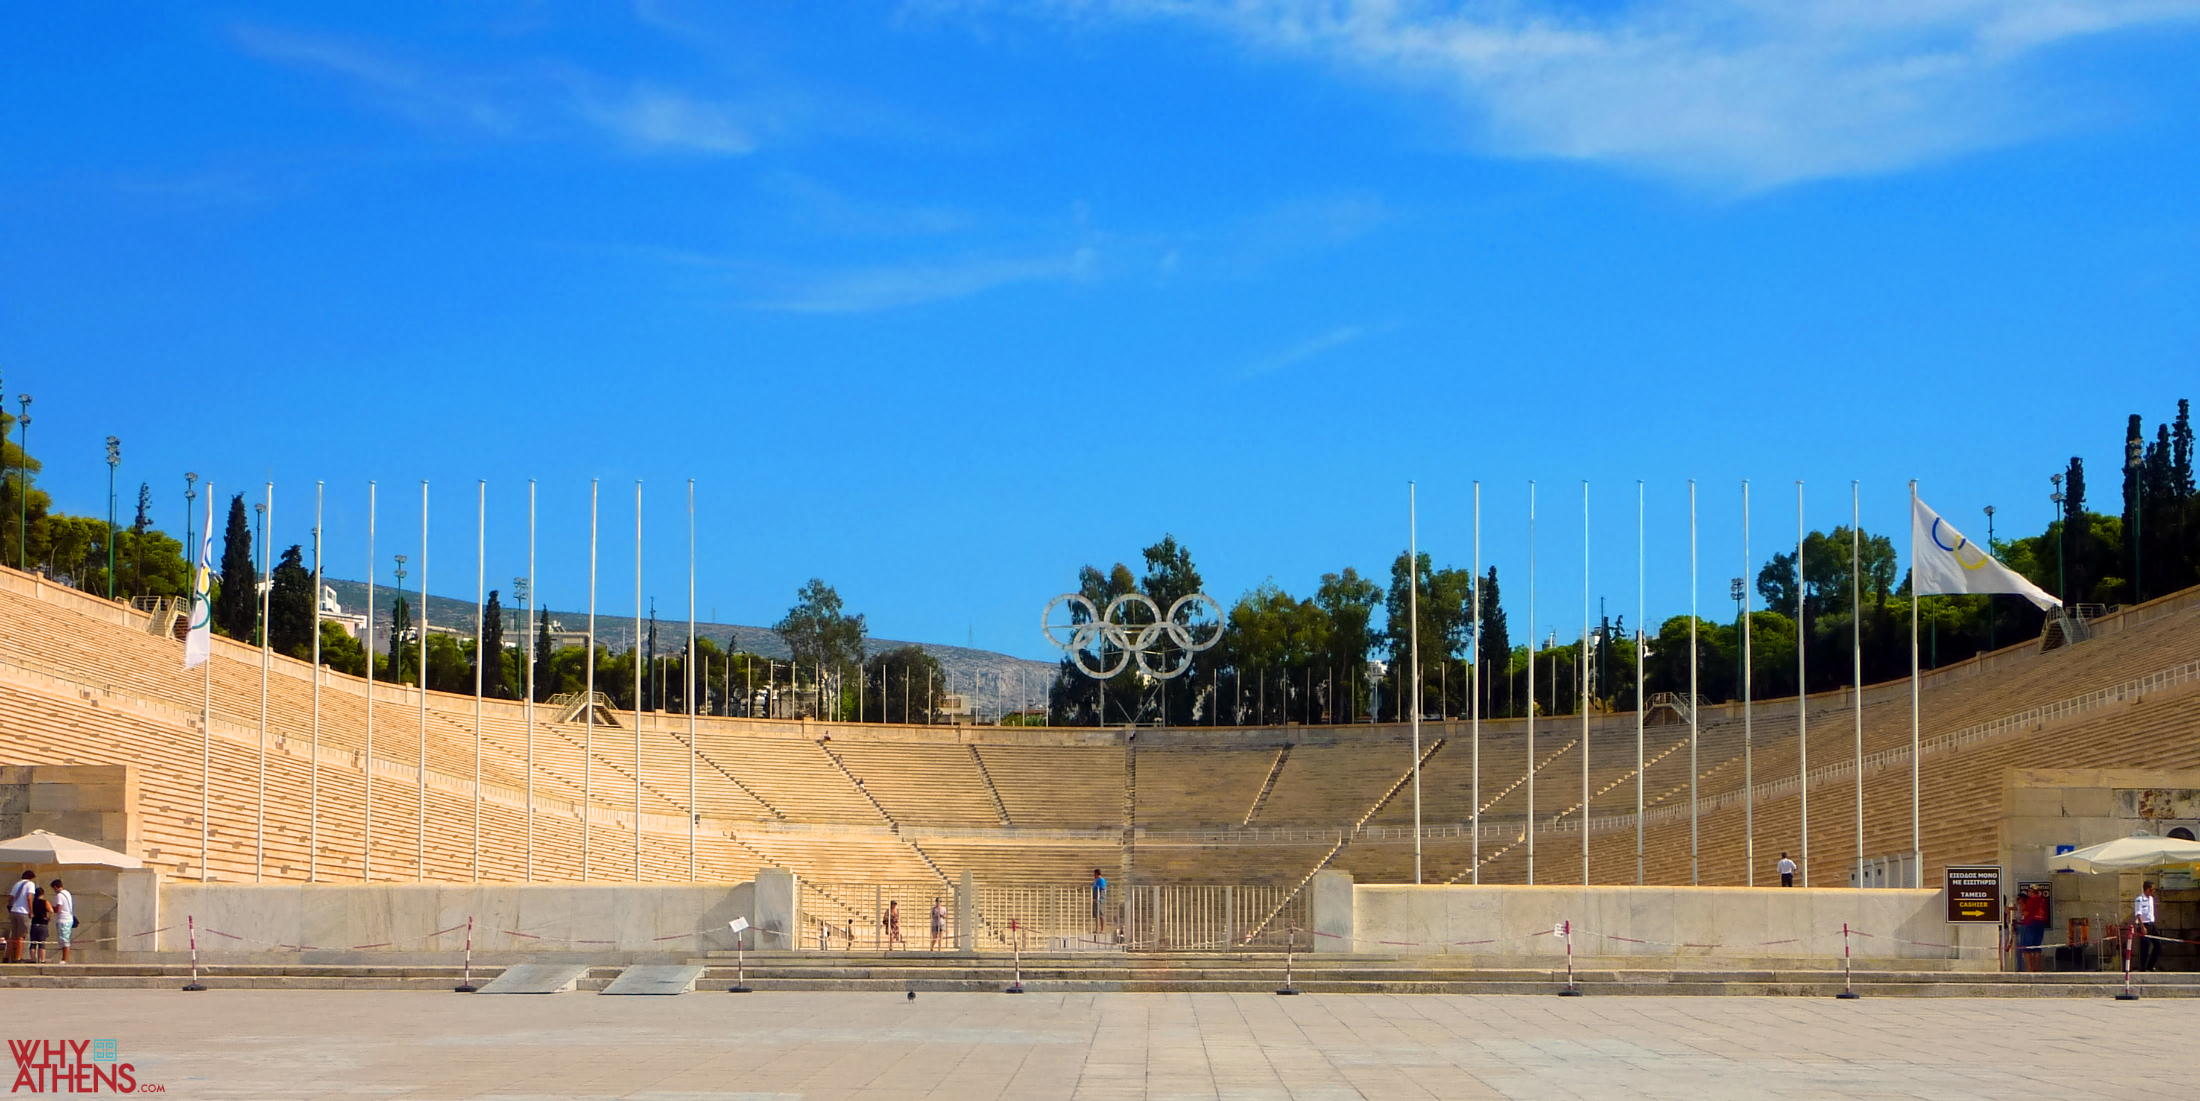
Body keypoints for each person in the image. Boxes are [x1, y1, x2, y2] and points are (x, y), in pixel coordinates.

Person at [2015, 885, 2050, 972]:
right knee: (2037, 948)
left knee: (2027, 948)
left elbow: (2026, 913)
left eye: (2029, 892)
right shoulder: (2043, 901)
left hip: (2031, 924)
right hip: (2040, 924)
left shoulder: (2031, 901)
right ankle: (2037, 968)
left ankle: (2030, 968)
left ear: (2032, 892)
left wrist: (2021, 910)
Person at [2133, 881, 2161, 972]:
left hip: (2151, 923)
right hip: (2143, 924)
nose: (2153, 892)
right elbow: (2138, 913)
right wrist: (2142, 927)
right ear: (2148, 889)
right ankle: (2142, 967)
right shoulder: (2139, 899)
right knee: (2145, 946)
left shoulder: (2151, 899)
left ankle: (2150, 965)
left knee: (2158, 946)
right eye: (2153, 889)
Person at [6, 871, 33, 963]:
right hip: (23, 912)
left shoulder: (17, 884)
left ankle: (7, 956)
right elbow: (29, 898)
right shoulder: (30, 884)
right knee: (21, 936)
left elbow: (11, 898)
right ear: (31, 877)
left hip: (14, 911)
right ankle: (18, 957)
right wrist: (31, 912)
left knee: (13, 935)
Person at [49, 880, 72, 965]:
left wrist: (50, 908)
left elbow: (58, 909)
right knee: (65, 939)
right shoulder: (67, 893)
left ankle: (64, 959)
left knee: (64, 940)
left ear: (55, 887)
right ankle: (64, 958)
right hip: (68, 918)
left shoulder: (59, 895)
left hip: (63, 919)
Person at [26, 887, 48, 964]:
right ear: (42, 894)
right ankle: (42, 960)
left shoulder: (32, 903)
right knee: (42, 943)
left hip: (34, 923)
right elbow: (51, 910)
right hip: (42, 924)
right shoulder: (44, 902)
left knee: (33, 943)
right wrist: (48, 918)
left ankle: (32, 959)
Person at [1092, 869, 1108, 934]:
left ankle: (1103, 929)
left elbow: (1103, 889)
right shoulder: (1095, 881)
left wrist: (1100, 898)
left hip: (1099, 899)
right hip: (1095, 898)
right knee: (1096, 914)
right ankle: (1097, 929)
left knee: (1101, 914)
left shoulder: (1101, 880)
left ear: (1097, 873)